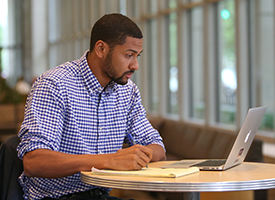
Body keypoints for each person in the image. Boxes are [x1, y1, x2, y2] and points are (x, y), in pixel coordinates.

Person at [17, 13, 166, 200]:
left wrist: (140, 154)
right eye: (129, 55)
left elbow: (158, 148)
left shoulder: (127, 91)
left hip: (99, 195)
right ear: (101, 49)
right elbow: (34, 161)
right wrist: (110, 160)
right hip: (56, 197)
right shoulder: (54, 84)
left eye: (137, 56)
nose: (135, 65)